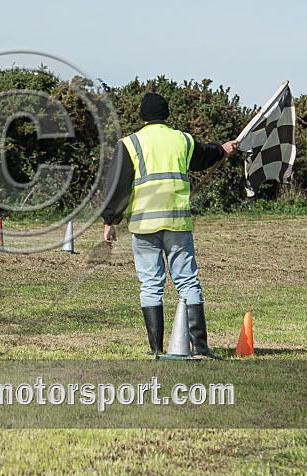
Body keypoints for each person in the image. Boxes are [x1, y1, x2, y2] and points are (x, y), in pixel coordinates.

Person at [102, 92, 239, 359]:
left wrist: (110, 220)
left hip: (143, 225)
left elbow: (118, 185)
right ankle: (200, 347)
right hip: (177, 223)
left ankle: (156, 348)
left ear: (142, 116)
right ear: (166, 114)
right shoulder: (182, 139)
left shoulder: (130, 144)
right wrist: (222, 149)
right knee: (187, 280)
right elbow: (204, 155)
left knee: (150, 283)